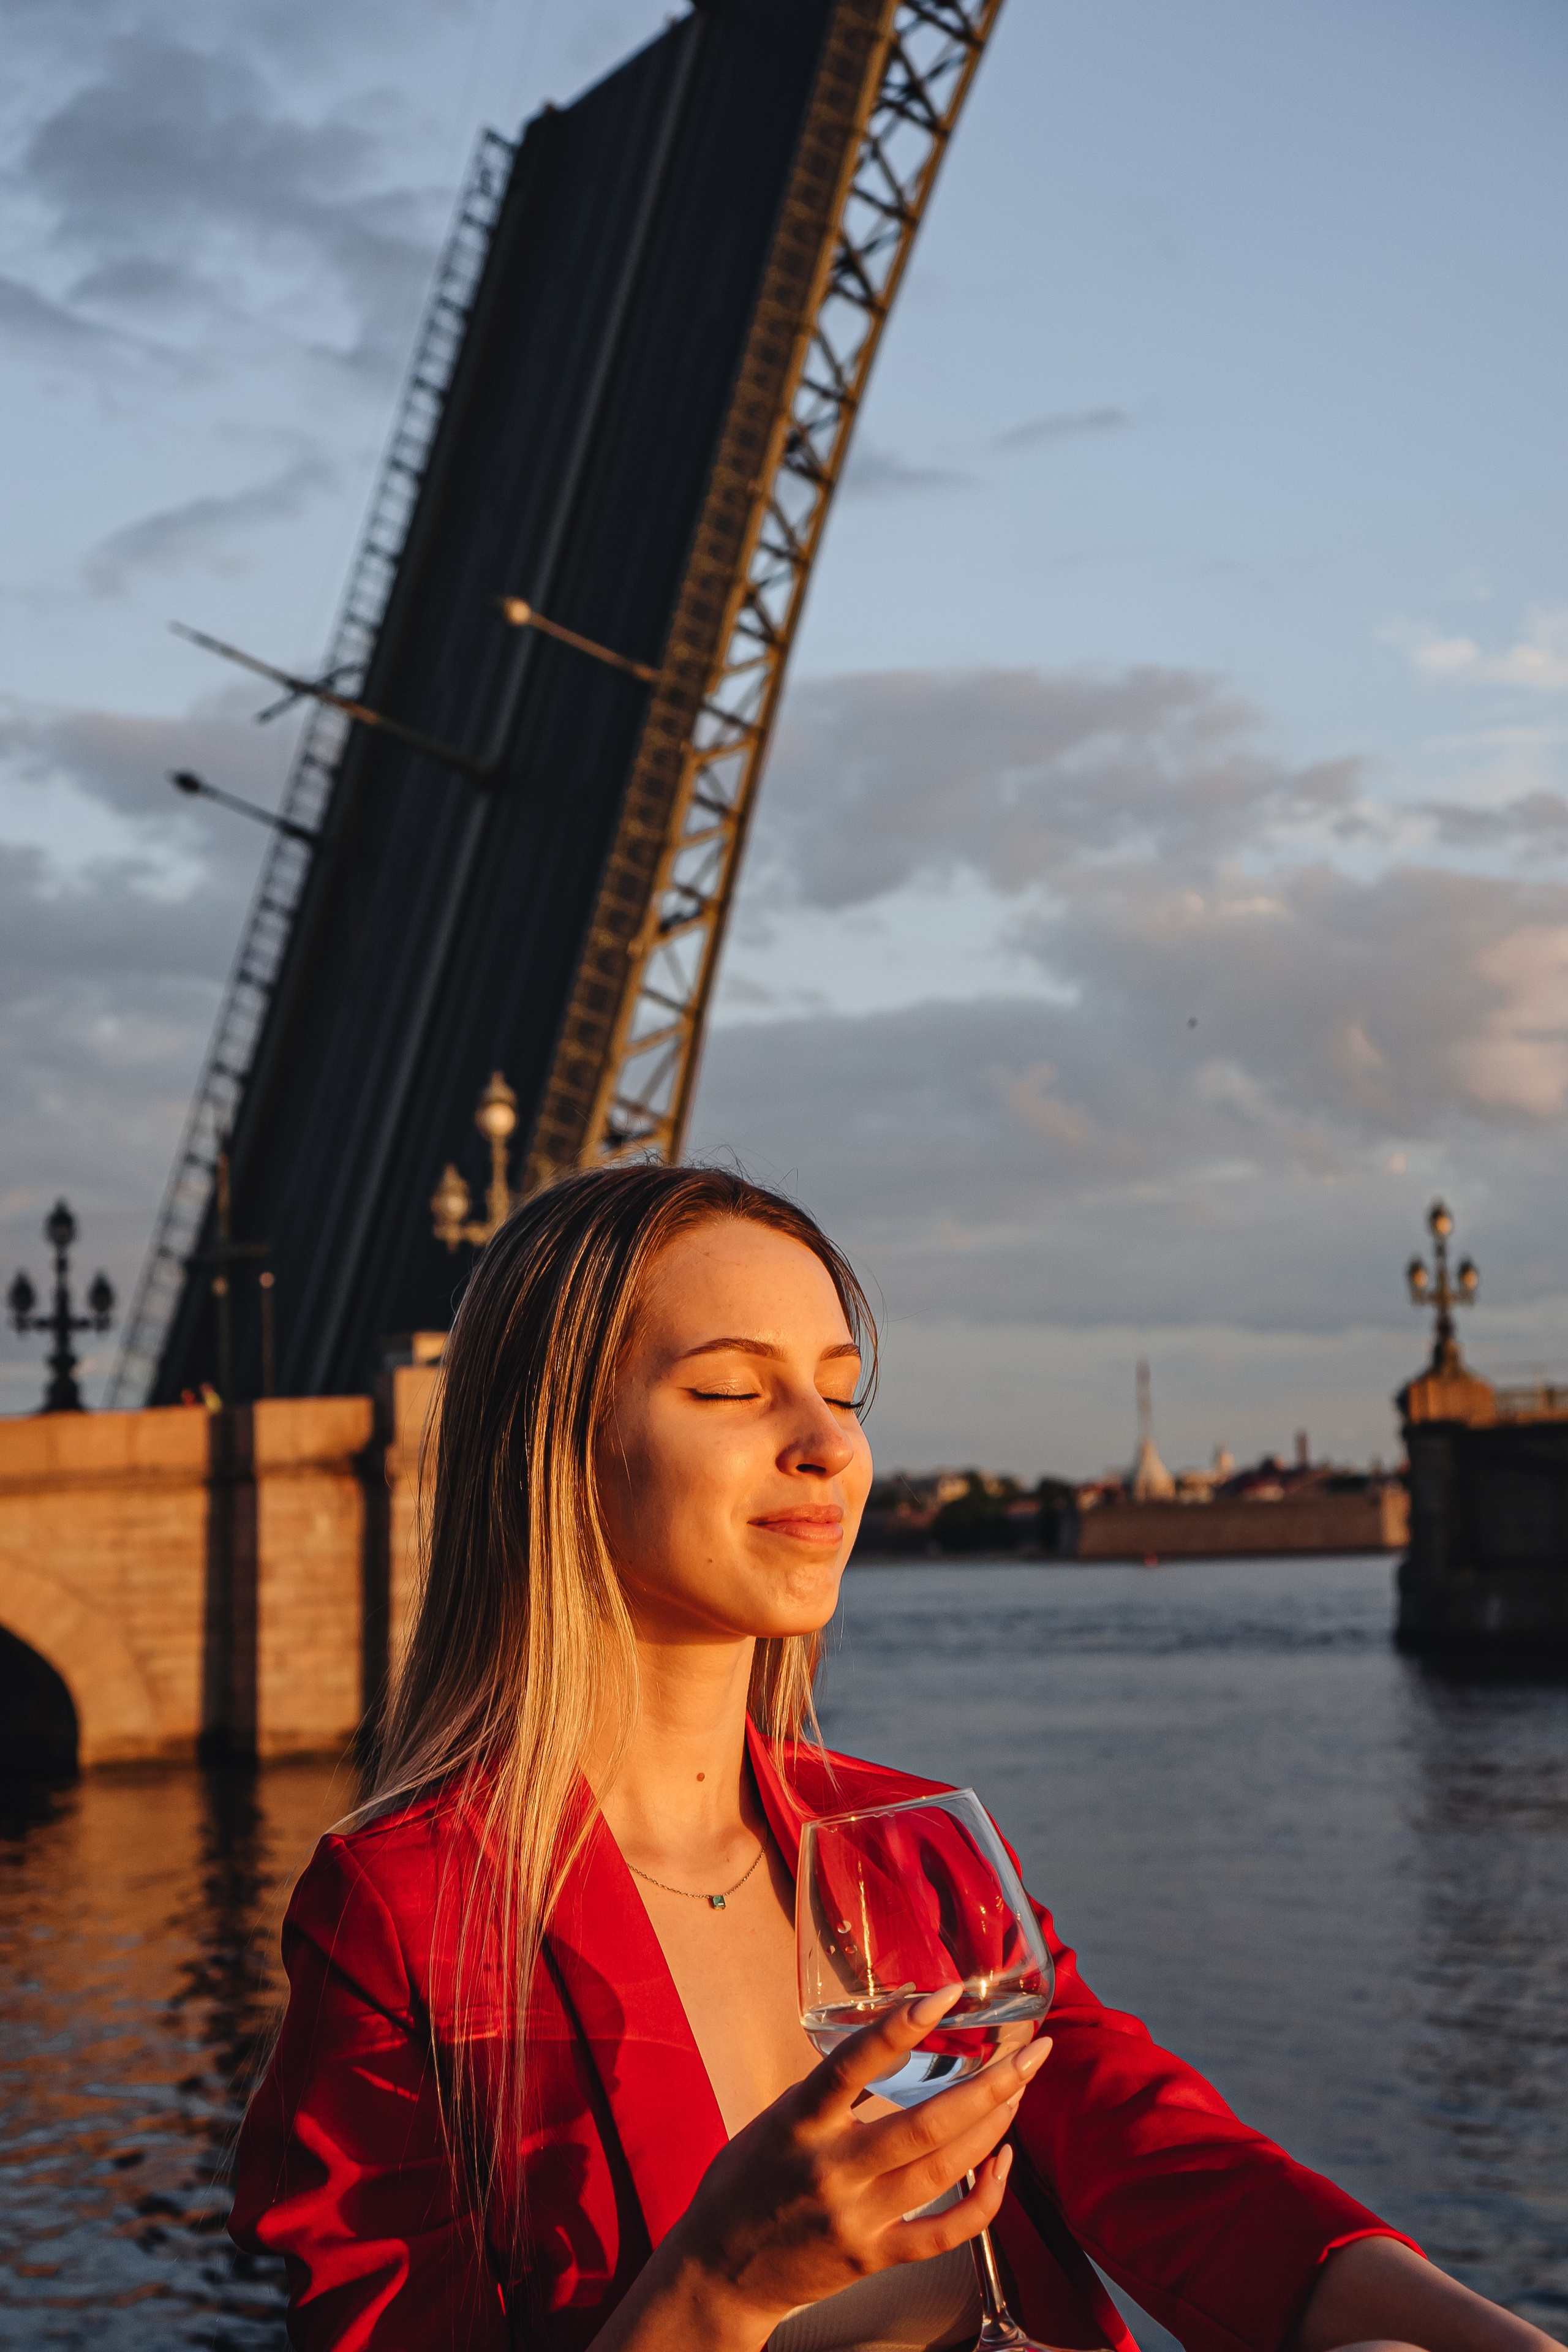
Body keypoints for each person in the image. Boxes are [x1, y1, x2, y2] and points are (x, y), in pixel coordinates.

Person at [230, 1167, 1562, 2352]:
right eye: (732, 1391)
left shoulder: (915, 1846)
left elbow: (1163, 2159)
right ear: (556, 1448)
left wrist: (1479, 2334)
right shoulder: (404, 1918)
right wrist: (723, 2285)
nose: (828, 1445)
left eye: (841, 1391)